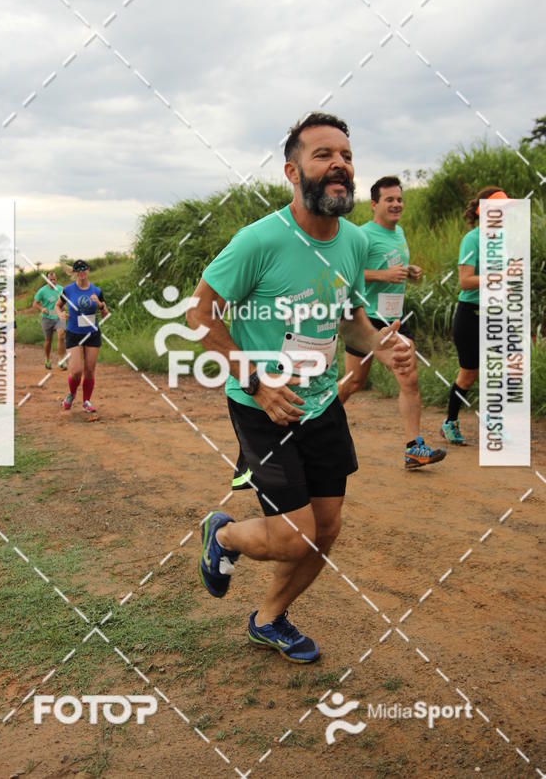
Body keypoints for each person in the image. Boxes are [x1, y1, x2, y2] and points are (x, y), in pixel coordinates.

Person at [188, 112, 412, 663]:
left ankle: (268, 619)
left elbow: (349, 317)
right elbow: (199, 316)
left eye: (347, 156)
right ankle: (223, 537)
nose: (340, 164)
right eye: (323, 155)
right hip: (264, 407)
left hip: (320, 403)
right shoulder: (259, 241)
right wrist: (257, 382)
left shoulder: (356, 242)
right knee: (295, 535)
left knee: (327, 527)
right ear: (293, 171)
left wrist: (382, 344)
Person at [338, 177, 446, 469]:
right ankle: (310, 428)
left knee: (355, 382)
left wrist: (409, 272)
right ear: (375, 205)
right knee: (371, 379)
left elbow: (391, 267)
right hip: (365, 318)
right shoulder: (361, 236)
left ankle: (413, 448)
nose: (397, 204)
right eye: (390, 199)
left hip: (394, 318)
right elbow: (347, 275)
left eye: (399, 199)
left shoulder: (399, 234)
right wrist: (382, 275)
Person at [441, 187, 508, 444]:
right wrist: (499, 277)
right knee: (468, 374)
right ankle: (451, 422)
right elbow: (465, 281)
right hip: (471, 314)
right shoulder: (472, 239)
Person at [54, 260, 108, 415]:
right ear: (75, 273)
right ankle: (71, 395)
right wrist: (60, 314)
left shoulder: (96, 291)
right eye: (78, 270)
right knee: (76, 371)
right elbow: (58, 305)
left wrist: (100, 304)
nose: (81, 272)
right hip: (74, 333)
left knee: (90, 370)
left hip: (92, 334)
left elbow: (105, 314)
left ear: (88, 270)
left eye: (84, 269)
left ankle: (86, 401)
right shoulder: (68, 290)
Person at [33, 270, 66, 370]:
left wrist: (63, 307)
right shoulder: (42, 291)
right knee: (48, 340)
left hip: (59, 316)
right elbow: (35, 304)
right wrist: (41, 308)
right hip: (47, 318)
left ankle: (61, 360)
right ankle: (47, 359)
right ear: (47, 280)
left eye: (54, 279)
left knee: (61, 336)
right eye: (51, 279)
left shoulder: (61, 289)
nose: (53, 281)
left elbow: (65, 301)